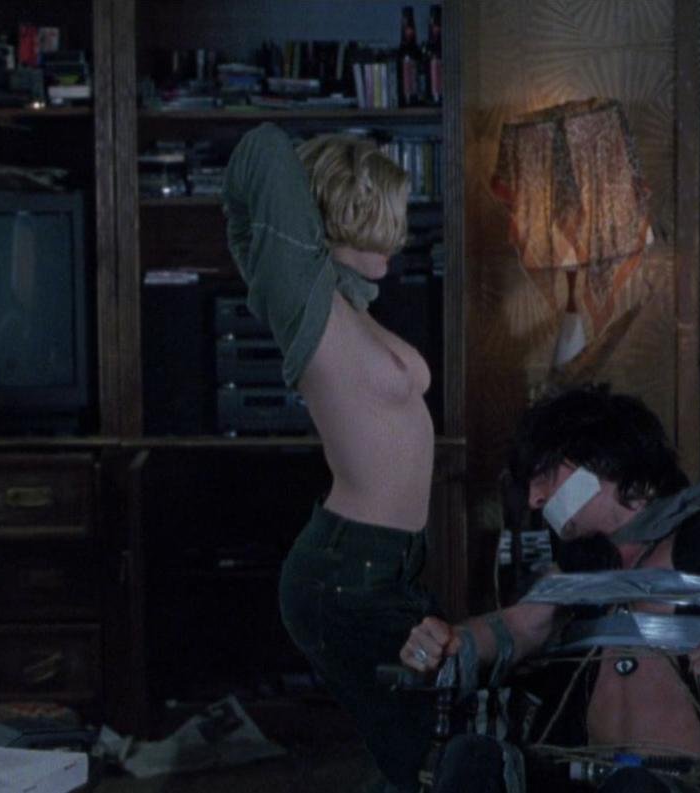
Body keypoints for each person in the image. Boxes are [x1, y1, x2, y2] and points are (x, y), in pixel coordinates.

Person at [400, 386, 700, 791]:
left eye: (546, 476)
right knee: (470, 758)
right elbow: (516, 628)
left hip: (685, 783)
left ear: (600, 462)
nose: (534, 500)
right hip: (578, 775)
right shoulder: (579, 564)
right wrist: (449, 642)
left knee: (634, 787)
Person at [224, 123, 439, 791]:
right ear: (346, 213)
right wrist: (340, 181)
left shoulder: (349, 304)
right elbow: (262, 146)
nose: (398, 235)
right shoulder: (307, 300)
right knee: (419, 756)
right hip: (348, 570)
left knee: (421, 749)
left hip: (388, 564)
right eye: (382, 216)